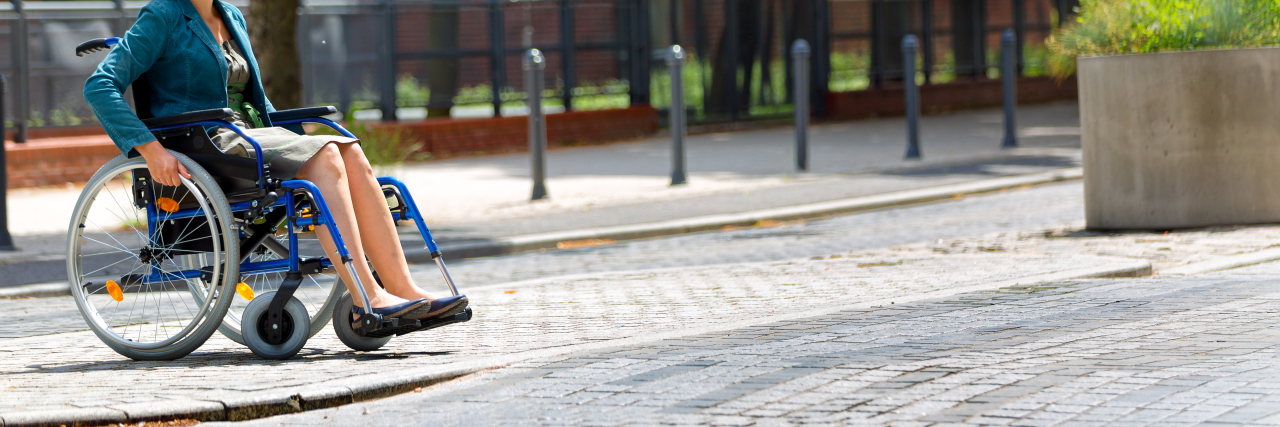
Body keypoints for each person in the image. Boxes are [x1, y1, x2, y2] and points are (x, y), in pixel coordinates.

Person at [83, 0, 466, 321]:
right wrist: (150, 150)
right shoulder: (163, 15)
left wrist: (299, 141)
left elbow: (257, 102)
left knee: (347, 150)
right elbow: (100, 85)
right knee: (328, 155)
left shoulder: (231, 16)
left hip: (249, 135)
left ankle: (402, 288)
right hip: (206, 143)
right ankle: (368, 298)